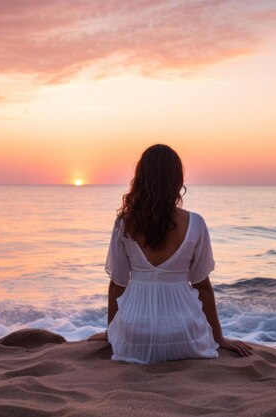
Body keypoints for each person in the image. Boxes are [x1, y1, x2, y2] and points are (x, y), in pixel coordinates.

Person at [88, 144, 253, 363]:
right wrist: (219, 338)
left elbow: (117, 284)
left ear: (140, 178)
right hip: (183, 335)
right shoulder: (195, 223)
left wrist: (112, 334)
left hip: (135, 337)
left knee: (127, 321)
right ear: (177, 179)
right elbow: (202, 285)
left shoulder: (124, 224)